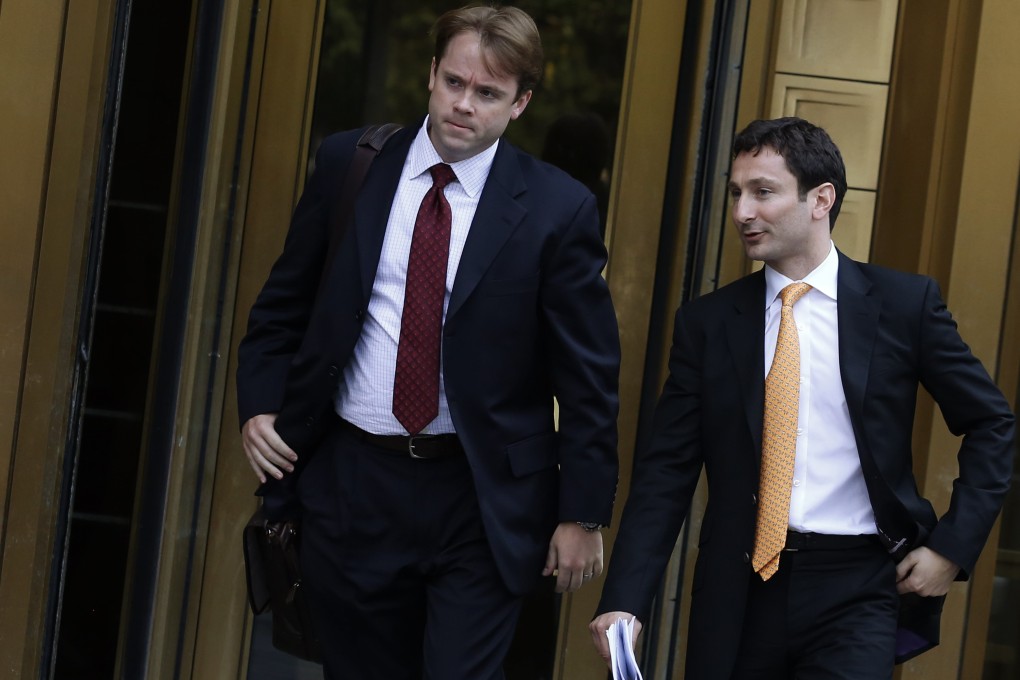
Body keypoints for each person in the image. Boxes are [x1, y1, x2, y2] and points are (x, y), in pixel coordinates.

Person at [236, 5, 620, 679]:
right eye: (454, 83)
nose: (464, 105)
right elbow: (281, 310)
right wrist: (260, 407)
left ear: (521, 102)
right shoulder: (349, 166)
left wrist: (583, 513)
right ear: (432, 74)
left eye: (488, 94)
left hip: (480, 494)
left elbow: (588, 378)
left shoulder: (558, 211)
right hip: (353, 480)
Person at [590, 117, 1014, 679]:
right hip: (738, 590)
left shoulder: (904, 305)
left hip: (858, 587)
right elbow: (666, 473)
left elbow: (991, 423)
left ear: (822, 199)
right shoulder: (708, 324)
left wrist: (951, 549)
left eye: (763, 192)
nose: (742, 211)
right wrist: (625, 598)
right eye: (737, 193)